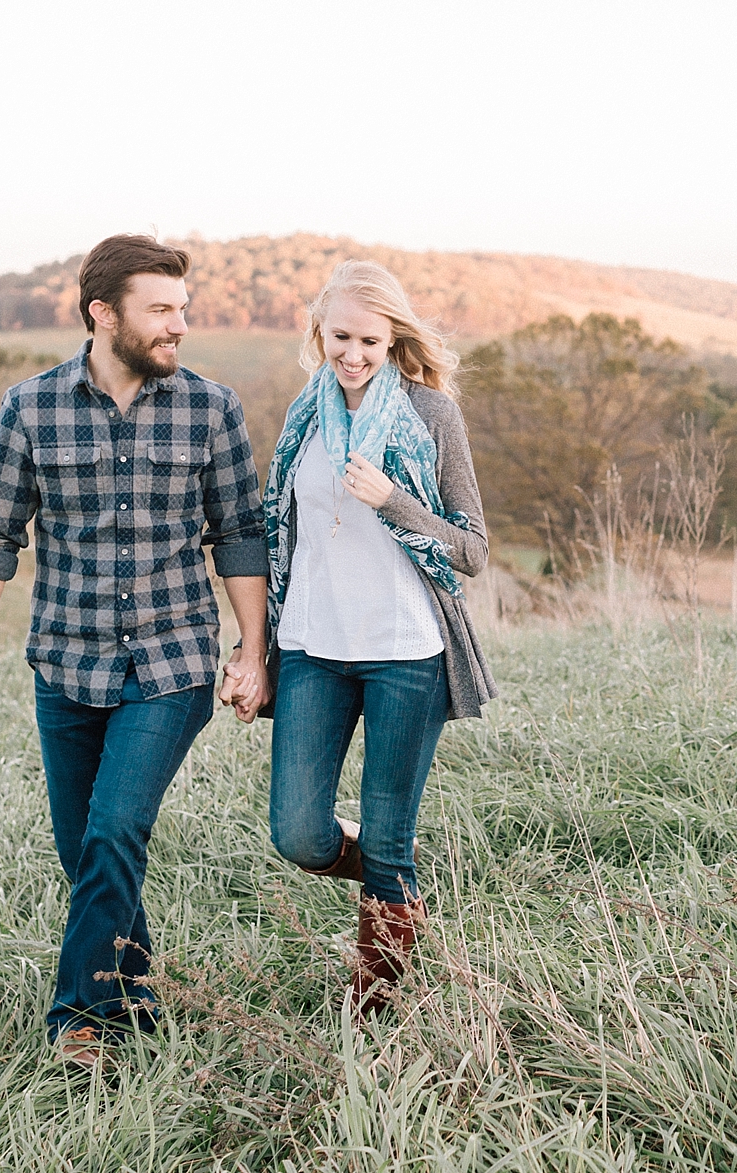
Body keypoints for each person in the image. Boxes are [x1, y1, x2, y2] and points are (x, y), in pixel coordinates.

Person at [0, 234, 267, 1068]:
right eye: (161, 311)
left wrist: (252, 647)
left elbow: (239, 533)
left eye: (183, 311)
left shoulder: (212, 408)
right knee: (85, 848)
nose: (180, 327)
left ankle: (76, 1020)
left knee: (115, 826)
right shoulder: (31, 407)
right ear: (104, 314)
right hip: (65, 663)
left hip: (170, 666)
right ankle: (136, 997)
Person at [229, 259, 497, 1013]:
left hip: (406, 655)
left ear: (393, 338)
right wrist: (254, 654)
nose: (353, 354)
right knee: (299, 832)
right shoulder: (303, 416)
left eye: (370, 341)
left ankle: (376, 1002)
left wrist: (397, 503)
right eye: (340, 336)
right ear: (320, 331)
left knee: (389, 840)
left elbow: (473, 550)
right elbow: (276, 531)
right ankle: (390, 873)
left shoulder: (430, 414)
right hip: (315, 648)